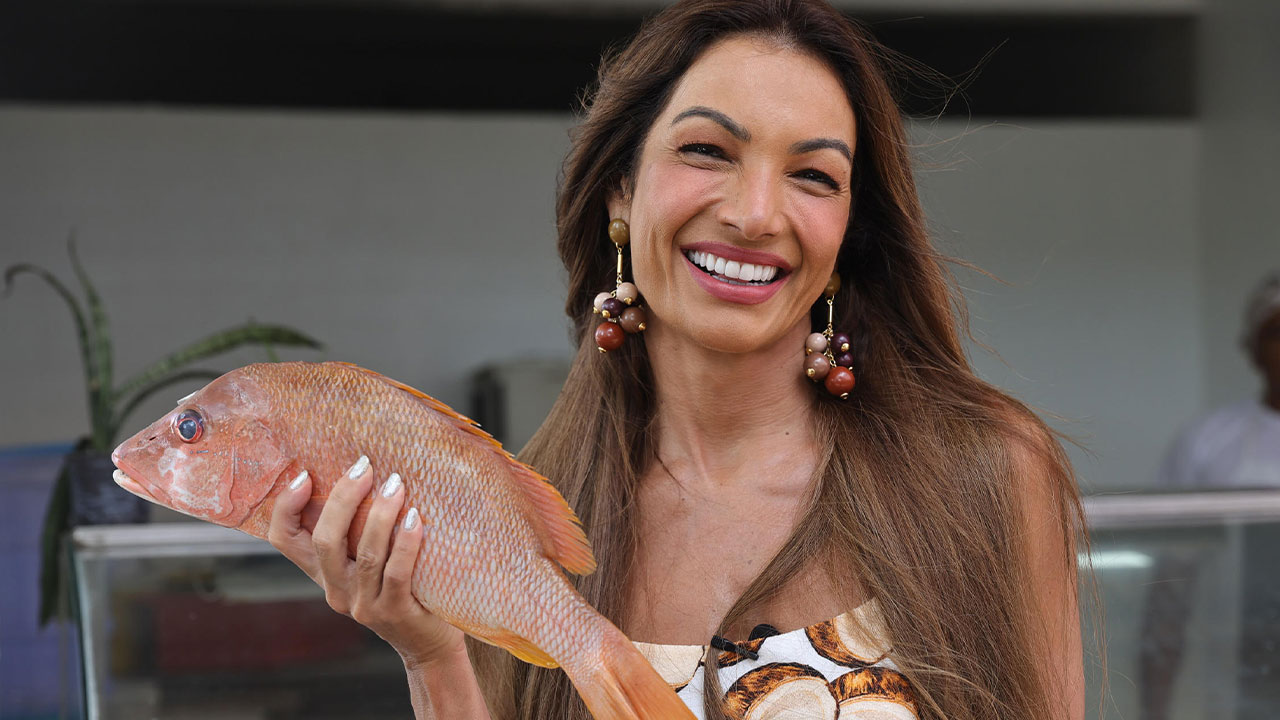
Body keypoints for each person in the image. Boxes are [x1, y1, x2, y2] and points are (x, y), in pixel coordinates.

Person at [265, 1, 1086, 718]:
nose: (757, 213)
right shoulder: (528, 524)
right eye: (706, 152)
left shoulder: (984, 474)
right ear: (621, 190)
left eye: (812, 174)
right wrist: (431, 655)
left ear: (844, 240)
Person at [1140, 272, 1280, 720]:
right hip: (1234, 681)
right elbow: (1170, 591)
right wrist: (1154, 706)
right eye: (1277, 332)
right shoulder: (1209, 441)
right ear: (1252, 349)